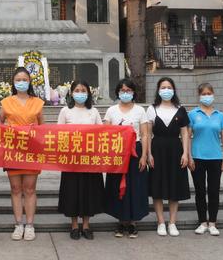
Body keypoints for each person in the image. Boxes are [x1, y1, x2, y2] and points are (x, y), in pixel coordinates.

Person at [0, 67, 44, 242]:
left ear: (29, 81)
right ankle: (18, 224)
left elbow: (43, 128)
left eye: (24, 79)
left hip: (32, 150)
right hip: (13, 150)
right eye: (18, 80)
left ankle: (30, 225)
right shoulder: (6, 102)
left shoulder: (38, 102)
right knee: (16, 189)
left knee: (30, 189)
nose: (21, 82)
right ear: (13, 82)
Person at [57, 80, 104, 240]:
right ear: (71, 93)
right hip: (71, 159)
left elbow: (103, 133)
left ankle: (86, 225)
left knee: (89, 191)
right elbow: (58, 134)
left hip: (90, 159)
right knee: (72, 191)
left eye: (83, 90)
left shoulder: (94, 111)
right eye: (77, 90)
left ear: (88, 93)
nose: (80, 93)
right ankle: (74, 225)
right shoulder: (65, 111)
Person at [104, 78, 149, 239]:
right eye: (122, 91)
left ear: (133, 92)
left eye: (128, 91)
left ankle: (133, 223)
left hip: (135, 152)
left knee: (134, 186)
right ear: (117, 92)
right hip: (117, 152)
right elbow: (106, 134)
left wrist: (144, 155)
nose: (125, 93)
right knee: (117, 186)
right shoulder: (111, 110)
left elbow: (144, 134)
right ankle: (121, 221)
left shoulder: (140, 110)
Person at [147, 77, 190, 237]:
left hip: (176, 150)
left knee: (174, 186)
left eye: (169, 87)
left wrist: (186, 153)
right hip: (157, 149)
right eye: (163, 87)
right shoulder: (152, 109)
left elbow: (185, 133)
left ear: (174, 90)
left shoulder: (180, 109)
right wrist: (148, 153)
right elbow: (147, 133)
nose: (166, 90)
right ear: (158, 90)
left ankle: (172, 223)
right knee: (157, 187)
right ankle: (160, 222)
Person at [188, 83, 223, 236]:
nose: (206, 96)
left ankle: (212, 222)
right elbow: (187, 136)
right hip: (197, 157)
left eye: (209, 93)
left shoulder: (220, 115)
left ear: (213, 94)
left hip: (216, 158)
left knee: (213, 191)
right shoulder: (193, 114)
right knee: (199, 191)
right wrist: (189, 155)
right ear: (199, 96)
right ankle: (202, 222)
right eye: (203, 94)